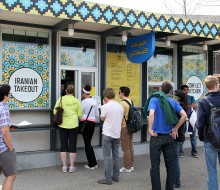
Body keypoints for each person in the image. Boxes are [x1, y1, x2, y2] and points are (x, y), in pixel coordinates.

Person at [145, 82, 187, 190]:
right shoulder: (172, 101)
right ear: (169, 92)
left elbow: (151, 113)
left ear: (160, 89)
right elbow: (184, 115)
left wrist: (150, 129)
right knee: (171, 165)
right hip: (169, 137)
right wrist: (175, 128)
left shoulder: (154, 100)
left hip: (156, 137)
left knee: (155, 166)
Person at [196, 75, 220, 190]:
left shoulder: (203, 102)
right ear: (217, 85)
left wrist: (201, 136)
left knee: (211, 169)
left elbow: (200, 123)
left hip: (210, 139)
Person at [97, 88, 124, 185]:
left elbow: (102, 118)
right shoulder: (120, 106)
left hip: (108, 133)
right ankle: (116, 176)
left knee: (107, 156)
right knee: (116, 155)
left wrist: (104, 105)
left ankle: (108, 178)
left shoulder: (105, 107)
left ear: (105, 96)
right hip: (117, 133)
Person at [54, 84, 82, 173]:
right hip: (73, 124)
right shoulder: (77, 101)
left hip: (62, 125)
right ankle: (72, 166)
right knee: (72, 145)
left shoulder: (61, 99)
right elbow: (80, 114)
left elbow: (55, 111)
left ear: (66, 90)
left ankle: (64, 166)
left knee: (63, 145)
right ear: (74, 92)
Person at [0, 84, 17, 190]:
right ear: (5, 96)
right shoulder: (4, 108)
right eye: (9, 93)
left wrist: (8, 127)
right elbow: (5, 133)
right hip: (3, 148)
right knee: (11, 175)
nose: (10, 95)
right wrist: (10, 147)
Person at [80, 84, 99, 169]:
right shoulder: (95, 101)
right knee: (89, 142)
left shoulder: (83, 102)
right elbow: (97, 114)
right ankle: (94, 163)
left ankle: (92, 164)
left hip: (85, 122)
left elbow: (80, 114)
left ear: (84, 93)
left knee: (87, 143)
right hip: (93, 123)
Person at [173, 90, 188, 188]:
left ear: (177, 98)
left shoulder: (178, 109)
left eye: (174, 96)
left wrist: (175, 129)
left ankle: (176, 182)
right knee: (175, 160)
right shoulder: (182, 107)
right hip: (180, 137)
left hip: (177, 137)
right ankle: (175, 180)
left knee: (174, 161)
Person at [180, 84, 198, 158]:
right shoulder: (180, 98)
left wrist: (188, 106)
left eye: (187, 90)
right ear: (182, 90)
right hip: (183, 119)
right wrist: (189, 106)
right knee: (181, 135)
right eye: (184, 90)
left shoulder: (191, 97)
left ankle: (194, 152)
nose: (186, 91)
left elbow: (194, 105)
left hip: (191, 119)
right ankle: (180, 152)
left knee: (193, 136)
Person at [118, 86, 134, 173]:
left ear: (122, 93)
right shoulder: (130, 101)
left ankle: (127, 166)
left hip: (124, 127)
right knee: (130, 145)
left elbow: (120, 117)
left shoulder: (122, 103)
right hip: (130, 126)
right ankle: (131, 164)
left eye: (119, 92)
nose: (118, 94)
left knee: (125, 147)